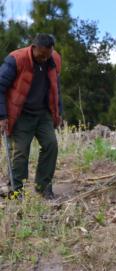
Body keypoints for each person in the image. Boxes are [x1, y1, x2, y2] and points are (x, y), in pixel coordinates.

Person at [0, 34, 62, 199]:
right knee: (20, 151)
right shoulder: (16, 59)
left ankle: (44, 188)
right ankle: (16, 190)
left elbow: (56, 87)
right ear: (33, 48)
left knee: (51, 145)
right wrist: (2, 116)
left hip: (43, 113)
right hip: (21, 113)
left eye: (47, 55)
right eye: (41, 55)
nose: (44, 59)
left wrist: (59, 111)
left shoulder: (54, 59)